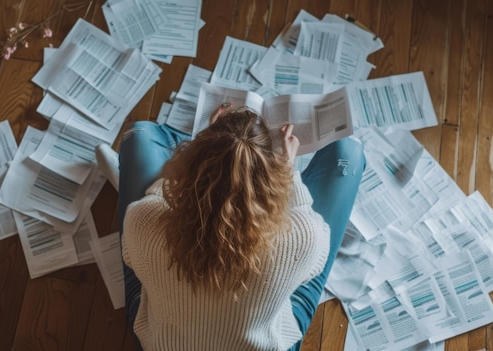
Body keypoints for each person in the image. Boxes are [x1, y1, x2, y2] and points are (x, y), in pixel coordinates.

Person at [96, 104, 365, 351]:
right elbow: (315, 266)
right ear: (271, 182)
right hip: (262, 343)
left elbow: (131, 253)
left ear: (189, 169)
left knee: (140, 135)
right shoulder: (303, 236)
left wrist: (201, 145)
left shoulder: (143, 218)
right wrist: (288, 171)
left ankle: (133, 181)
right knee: (348, 153)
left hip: (162, 344)